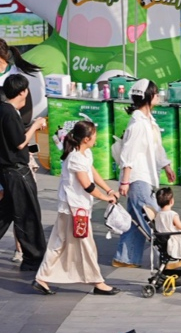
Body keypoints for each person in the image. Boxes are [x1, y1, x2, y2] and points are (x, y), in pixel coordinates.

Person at [32, 121, 121, 296]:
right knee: (86, 244)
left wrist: (109, 189)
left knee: (59, 242)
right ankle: (98, 282)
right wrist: (105, 197)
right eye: (94, 135)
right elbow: (87, 185)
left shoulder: (84, 153)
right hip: (75, 209)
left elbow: (92, 172)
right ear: (86, 139)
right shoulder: (75, 158)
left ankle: (41, 278)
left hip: (74, 207)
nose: (96, 138)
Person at [114, 79, 175, 268]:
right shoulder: (138, 124)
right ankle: (169, 255)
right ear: (148, 97)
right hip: (138, 177)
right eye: (155, 93)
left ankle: (125, 258)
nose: (158, 96)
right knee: (152, 218)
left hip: (144, 175)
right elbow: (128, 154)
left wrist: (166, 166)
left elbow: (156, 147)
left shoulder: (148, 120)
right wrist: (125, 181)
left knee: (136, 219)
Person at [0, 73, 46, 272]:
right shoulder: (9, 112)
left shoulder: (4, 110)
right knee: (28, 215)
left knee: (6, 213)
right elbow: (19, 143)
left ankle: (32, 257)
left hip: (7, 171)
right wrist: (35, 126)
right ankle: (34, 258)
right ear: (23, 92)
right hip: (17, 172)